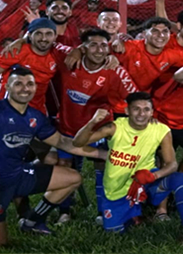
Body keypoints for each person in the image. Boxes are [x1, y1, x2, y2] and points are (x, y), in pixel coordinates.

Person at [0, 67, 107, 246]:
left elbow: (63, 142)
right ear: (7, 87)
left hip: (18, 174)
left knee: (73, 178)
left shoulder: (35, 117)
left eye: (30, 84)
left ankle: (32, 221)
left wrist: (103, 154)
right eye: (18, 84)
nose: (25, 88)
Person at [70, 93, 183, 244]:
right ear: (127, 111)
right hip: (118, 189)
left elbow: (172, 164)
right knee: (114, 233)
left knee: (178, 179)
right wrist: (93, 122)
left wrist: (153, 176)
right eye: (136, 109)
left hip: (146, 183)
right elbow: (77, 142)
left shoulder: (161, 130)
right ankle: (134, 215)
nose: (141, 114)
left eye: (146, 109)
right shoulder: (115, 127)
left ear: (152, 112)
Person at [54, 29, 138, 223]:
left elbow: (134, 97)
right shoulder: (69, 60)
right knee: (64, 165)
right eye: (93, 45)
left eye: (103, 45)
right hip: (68, 126)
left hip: (97, 129)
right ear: (84, 47)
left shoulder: (115, 70)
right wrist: (74, 50)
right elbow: (50, 44)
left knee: (102, 165)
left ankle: (102, 212)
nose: (99, 50)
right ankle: (64, 212)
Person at [0, 18, 69, 115]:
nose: (43, 38)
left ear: (55, 36)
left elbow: (75, 51)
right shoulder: (17, 51)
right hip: (9, 107)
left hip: (37, 108)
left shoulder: (57, 54)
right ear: (29, 35)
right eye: (38, 33)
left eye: (48, 34)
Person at [113, 17, 183, 94]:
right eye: (155, 31)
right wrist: (109, 57)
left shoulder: (170, 55)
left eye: (165, 31)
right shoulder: (129, 47)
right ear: (144, 33)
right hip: (117, 97)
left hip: (143, 100)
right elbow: (102, 50)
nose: (161, 35)